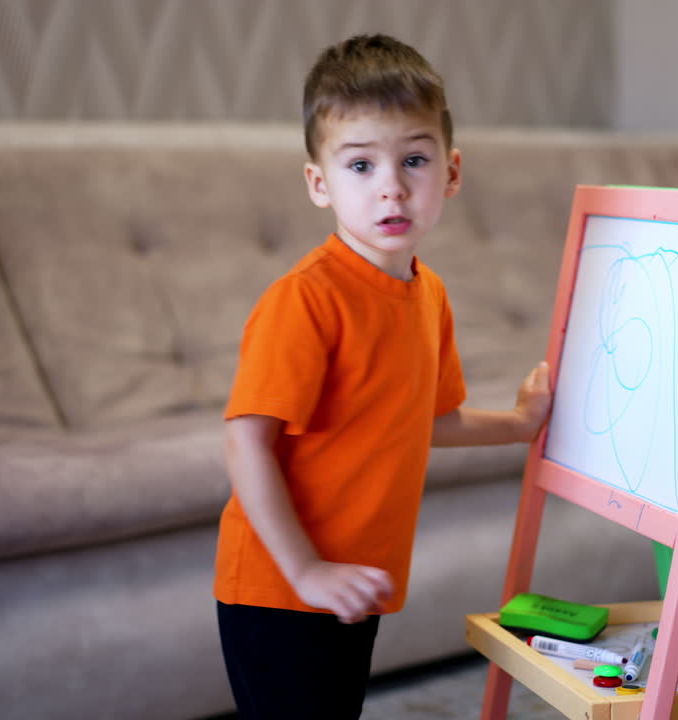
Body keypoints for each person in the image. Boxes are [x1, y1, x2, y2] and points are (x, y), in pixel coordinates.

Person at [213, 34, 552, 719]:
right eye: (361, 165)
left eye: (414, 160)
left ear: (451, 173)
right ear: (319, 183)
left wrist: (519, 425)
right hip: (281, 586)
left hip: (353, 583)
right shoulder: (307, 299)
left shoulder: (428, 296)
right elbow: (244, 442)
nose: (392, 185)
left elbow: (427, 420)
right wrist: (308, 570)